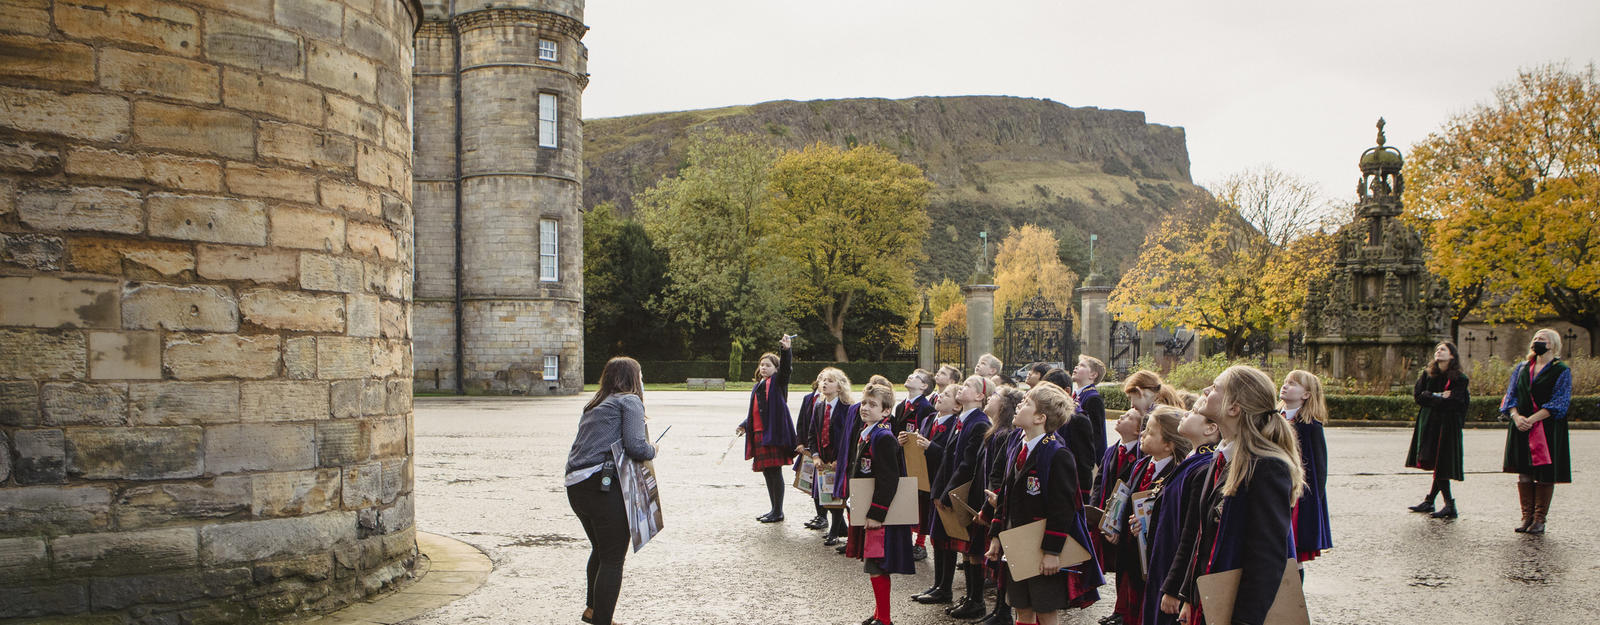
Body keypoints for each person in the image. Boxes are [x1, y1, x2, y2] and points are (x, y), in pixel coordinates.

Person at [1184, 366, 1304, 625]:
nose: (1206, 391)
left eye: (1215, 388)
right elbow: (1202, 537)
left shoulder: (1266, 467)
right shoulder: (1221, 457)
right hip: (1210, 600)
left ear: (1233, 408)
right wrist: (1189, 596)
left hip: (1236, 610)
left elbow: (1267, 559)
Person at [984, 381, 1103, 625]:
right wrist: (997, 536)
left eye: (1027, 402)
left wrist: (1052, 552)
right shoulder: (1017, 445)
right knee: (1021, 607)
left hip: (1041, 546)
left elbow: (1063, 509)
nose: (1019, 405)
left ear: (1040, 417)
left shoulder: (1058, 454)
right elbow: (1005, 497)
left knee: (1045, 608)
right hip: (1016, 542)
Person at [564, 357, 658, 625]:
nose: (642, 380)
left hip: (576, 486)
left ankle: (592, 610)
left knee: (600, 550)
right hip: (601, 487)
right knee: (613, 559)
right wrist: (655, 450)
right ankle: (602, 620)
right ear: (632, 378)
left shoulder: (594, 404)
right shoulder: (630, 401)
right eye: (640, 375)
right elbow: (636, 447)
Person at [1111, 406, 1190, 625]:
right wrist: (1115, 526)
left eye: (1151, 433)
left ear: (1168, 444)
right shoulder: (1142, 464)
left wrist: (1147, 523)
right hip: (1130, 553)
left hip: (1152, 557)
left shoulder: (1176, 472)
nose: (1143, 435)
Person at [846, 384, 916, 625]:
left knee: (877, 565)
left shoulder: (883, 437)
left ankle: (884, 619)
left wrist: (877, 513)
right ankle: (878, 614)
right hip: (867, 508)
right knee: (872, 563)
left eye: (873, 405)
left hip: (880, 514)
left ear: (886, 412)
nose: (865, 408)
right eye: (864, 403)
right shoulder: (867, 432)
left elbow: (889, 479)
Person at [929, 376, 993, 617]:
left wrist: (948, 494)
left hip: (966, 495)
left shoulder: (978, 423)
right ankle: (970, 597)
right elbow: (948, 459)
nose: (962, 388)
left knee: (971, 547)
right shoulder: (961, 420)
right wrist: (938, 490)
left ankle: (976, 601)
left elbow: (967, 465)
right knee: (965, 547)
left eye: (968, 386)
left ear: (979, 396)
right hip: (950, 489)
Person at [1500, 328, 1573, 534]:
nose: (1537, 341)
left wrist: (1533, 419)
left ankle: (1540, 519)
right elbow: (1510, 395)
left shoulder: (1561, 370)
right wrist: (1515, 417)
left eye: (1542, 339)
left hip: (1547, 427)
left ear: (1553, 344)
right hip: (1521, 424)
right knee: (1524, 472)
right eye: (1535, 338)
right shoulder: (1522, 368)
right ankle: (1526, 517)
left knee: (1544, 473)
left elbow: (1560, 401)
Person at [1151, 409, 1221, 625]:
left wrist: (1175, 588)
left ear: (1210, 429)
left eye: (1196, 411)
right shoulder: (1193, 459)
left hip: (1176, 570)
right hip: (1165, 559)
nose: (1187, 412)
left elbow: (1192, 534)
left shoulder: (1203, 466)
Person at [969, 386, 1025, 625]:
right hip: (993, 502)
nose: (990, 398)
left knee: (1004, 559)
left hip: (999, 504)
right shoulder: (999, 433)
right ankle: (997, 610)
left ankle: (1003, 611)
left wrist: (989, 507)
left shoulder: (1005, 434)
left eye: (995, 396)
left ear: (1003, 405)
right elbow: (993, 472)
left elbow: (1000, 476)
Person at [906, 384, 961, 602]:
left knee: (945, 537)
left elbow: (950, 456)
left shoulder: (956, 425)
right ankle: (937, 584)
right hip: (927, 482)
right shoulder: (929, 420)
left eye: (946, 395)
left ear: (957, 406)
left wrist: (930, 446)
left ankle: (945, 587)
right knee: (936, 536)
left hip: (943, 483)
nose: (939, 397)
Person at [736, 336, 798, 523]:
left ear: (776, 369)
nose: (764, 367)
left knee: (775, 471)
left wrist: (786, 350)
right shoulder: (758, 386)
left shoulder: (779, 382)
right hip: (759, 433)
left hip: (773, 434)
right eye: (762, 365)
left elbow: (786, 369)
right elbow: (756, 411)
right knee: (767, 472)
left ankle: (778, 511)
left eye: (768, 365)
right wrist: (744, 425)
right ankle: (773, 509)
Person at [1407, 342, 1470, 518]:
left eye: (1443, 349)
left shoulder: (1460, 378)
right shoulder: (1428, 375)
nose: (1438, 352)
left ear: (1452, 355)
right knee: (1436, 461)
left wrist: (1431, 398)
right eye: (1437, 349)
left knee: (1441, 462)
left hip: (1448, 425)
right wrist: (1439, 396)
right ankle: (1430, 501)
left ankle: (1449, 505)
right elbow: (1419, 396)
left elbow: (1456, 402)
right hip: (1430, 424)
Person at [1280, 370, 1333, 564]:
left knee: (1295, 552)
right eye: (1285, 382)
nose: (1285, 386)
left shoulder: (1311, 426)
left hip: (1300, 496)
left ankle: (1295, 592)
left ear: (1306, 395)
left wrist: (1312, 504)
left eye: (1293, 384)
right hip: (1277, 487)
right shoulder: (1275, 418)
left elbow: (1319, 468)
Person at [806, 368, 853, 541]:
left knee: (838, 494)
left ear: (839, 387)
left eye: (830, 381)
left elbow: (848, 437)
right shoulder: (819, 406)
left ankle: (835, 531)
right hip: (823, 457)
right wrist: (816, 455)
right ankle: (840, 528)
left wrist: (839, 459)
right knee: (825, 492)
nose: (824, 383)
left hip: (840, 458)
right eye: (823, 380)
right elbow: (812, 434)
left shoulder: (848, 408)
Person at [1046, 368, 1098, 501]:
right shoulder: (1048, 416)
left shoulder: (1077, 419)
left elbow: (1085, 462)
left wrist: (1082, 495)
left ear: (1067, 391)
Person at [1072, 355, 1110, 460]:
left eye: (1082, 365)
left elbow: (1094, 435)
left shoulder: (1093, 398)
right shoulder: (1077, 395)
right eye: (1077, 365)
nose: (1076, 367)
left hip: (1085, 459)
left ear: (1093, 375)